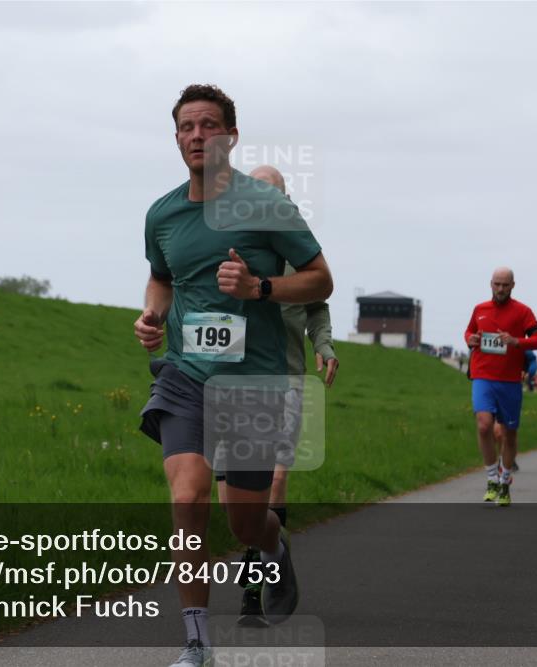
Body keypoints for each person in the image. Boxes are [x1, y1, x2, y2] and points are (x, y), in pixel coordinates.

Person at [134, 84, 333, 667]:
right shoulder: (162, 214)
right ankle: (197, 643)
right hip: (185, 375)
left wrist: (258, 287)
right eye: (187, 126)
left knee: (244, 521)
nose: (197, 135)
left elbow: (320, 280)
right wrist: (152, 315)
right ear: (177, 138)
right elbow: (162, 278)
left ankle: (273, 542)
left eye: (209, 125)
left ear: (231, 136)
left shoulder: (266, 205)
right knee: (188, 498)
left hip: (254, 383)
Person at [214, 165, 339, 627]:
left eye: (274, 196)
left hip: (285, 378)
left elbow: (317, 306)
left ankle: (254, 591)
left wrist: (324, 345)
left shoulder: (296, 251)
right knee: (234, 502)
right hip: (231, 383)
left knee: (275, 481)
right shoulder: (228, 245)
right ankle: (273, 554)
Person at [464, 267, 537, 506]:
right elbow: (469, 331)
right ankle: (492, 477)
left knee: (509, 434)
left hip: (509, 381)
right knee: (484, 425)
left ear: (513, 286)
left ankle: (505, 481)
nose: (500, 289)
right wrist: (470, 339)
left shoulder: (523, 312)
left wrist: (515, 341)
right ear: (490, 284)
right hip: (483, 375)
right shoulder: (480, 309)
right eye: (497, 284)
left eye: (505, 285)